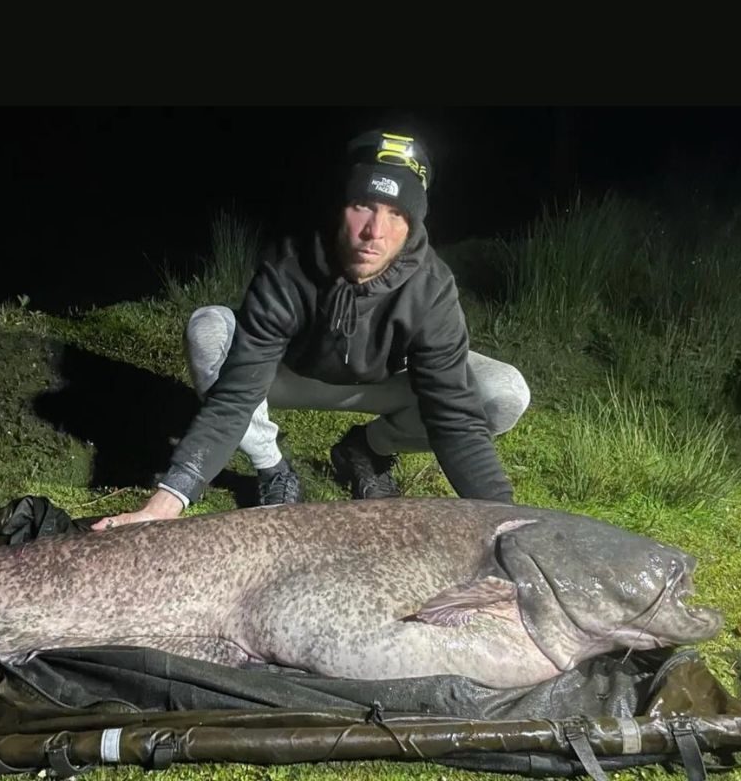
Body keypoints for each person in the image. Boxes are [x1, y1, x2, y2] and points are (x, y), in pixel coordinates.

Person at [93, 126, 530, 531]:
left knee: (503, 390)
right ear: (340, 205)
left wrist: (509, 525)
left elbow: (454, 419)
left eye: (396, 214)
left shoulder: (432, 288)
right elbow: (233, 400)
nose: (374, 231)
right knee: (208, 327)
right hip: (287, 378)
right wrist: (162, 506)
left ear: (415, 223)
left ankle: (368, 449)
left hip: (382, 384)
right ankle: (273, 467)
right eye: (363, 206)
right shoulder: (288, 266)